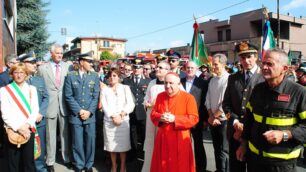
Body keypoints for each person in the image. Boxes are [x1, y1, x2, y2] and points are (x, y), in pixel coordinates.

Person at [236, 48, 306, 172]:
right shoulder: (257, 89)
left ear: (284, 69)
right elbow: (249, 119)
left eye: (270, 64)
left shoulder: (299, 92)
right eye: (263, 63)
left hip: (282, 165)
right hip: (255, 160)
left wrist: (285, 135)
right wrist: (243, 144)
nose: (264, 67)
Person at [222, 42, 264, 172]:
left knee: (254, 167)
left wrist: (247, 125)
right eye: (242, 57)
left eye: (249, 56)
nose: (246, 60)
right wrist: (234, 121)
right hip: (235, 132)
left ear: (256, 57)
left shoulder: (264, 77)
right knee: (236, 167)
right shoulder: (233, 78)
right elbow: (226, 104)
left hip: (254, 132)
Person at [150, 72, 199, 172]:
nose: (167, 86)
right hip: (163, 138)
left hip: (180, 138)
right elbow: (153, 113)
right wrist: (160, 117)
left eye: (171, 83)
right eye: (165, 83)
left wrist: (175, 119)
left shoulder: (188, 98)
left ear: (178, 83)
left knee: (180, 166)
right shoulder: (160, 96)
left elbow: (194, 118)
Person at [38, 43, 72, 171]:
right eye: (57, 53)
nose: (59, 55)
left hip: (64, 106)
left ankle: (66, 158)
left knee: (65, 134)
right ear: (51, 53)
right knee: (50, 136)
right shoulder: (42, 69)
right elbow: (40, 89)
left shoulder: (68, 67)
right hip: (49, 107)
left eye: (61, 53)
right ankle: (50, 161)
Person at [64, 52, 100, 172]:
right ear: (81, 62)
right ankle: (79, 165)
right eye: (89, 61)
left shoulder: (94, 76)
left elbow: (96, 96)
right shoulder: (70, 76)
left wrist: (89, 111)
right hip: (76, 115)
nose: (91, 64)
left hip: (90, 115)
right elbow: (68, 96)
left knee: (90, 141)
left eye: (91, 61)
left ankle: (88, 165)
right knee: (77, 142)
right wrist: (79, 111)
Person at [0, 63, 39, 172]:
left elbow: (35, 110)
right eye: (16, 72)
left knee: (29, 163)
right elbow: (5, 113)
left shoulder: (32, 89)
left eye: (22, 72)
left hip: (28, 130)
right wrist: (19, 127)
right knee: (13, 164)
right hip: (12, 130)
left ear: (26, 74)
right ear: (11, 74)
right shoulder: (4, 90)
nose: (19, 75)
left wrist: (26, 126)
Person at [19, 52, 49, 172]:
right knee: (25, 149)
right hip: (24, 123)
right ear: (24, 64)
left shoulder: (39, 80)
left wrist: (41, 113)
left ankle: (40, 168)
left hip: (39, 122)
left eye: (34, 63)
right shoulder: (18, 81)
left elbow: (46, 97)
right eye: (31, 63)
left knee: (39, 148)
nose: (34, 65)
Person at [101, 68, 135, 172]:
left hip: (123, 121)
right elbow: (104, 105)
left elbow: (131, 104)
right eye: (110, 76)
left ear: (119, 77)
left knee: (123, 147)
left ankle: (123, 166)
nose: (112, 77)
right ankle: (114, 166)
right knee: (111, 147)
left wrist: (121, 115)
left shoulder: (125, 88)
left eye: (114, 75)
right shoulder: (105, 89)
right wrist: (112, 116)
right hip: (109, 121)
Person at [142, 61, 170, 172]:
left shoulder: (171, 83)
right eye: (157, 67)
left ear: (167, 70)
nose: (157, 69)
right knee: (150, 145)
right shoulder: (152, 83)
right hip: (150, 118)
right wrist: (147, 103)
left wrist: (156, 104)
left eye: (160, 67)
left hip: (163, 119)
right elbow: (146, 98)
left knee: (163, 146)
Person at [181, 61, 209, 172]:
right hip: (182, 120)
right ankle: (185, 166)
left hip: (197, 119)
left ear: (196, 69)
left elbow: (204, 102)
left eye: (192, 68)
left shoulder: (202, 83)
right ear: (184, 69)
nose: (190, 70)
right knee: (183, 144)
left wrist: (205, 119)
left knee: (198, 145)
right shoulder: (180, 82)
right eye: (188, 68)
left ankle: (201, 168)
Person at [122, 59, 151, 162]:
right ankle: (133, 152)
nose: (136, 69)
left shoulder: (148, 81)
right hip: (131, 112)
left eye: (138, 67)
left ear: (142, 68)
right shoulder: (126, 80)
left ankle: (143, 152)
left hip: (143, 112)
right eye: (135, 67)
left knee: (144, 134)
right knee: (132, 133)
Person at [205, 53, 230, 172]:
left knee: (224, 150)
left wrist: (214, 116)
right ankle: (218, 169)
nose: (213, 67)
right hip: (212, 119)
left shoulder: (229, 79)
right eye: (212, 64)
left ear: (223, 64)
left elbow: (225, 102)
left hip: (223, 120)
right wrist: (210, 117)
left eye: (216, 64)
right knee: (216, 147)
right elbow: (208, 100)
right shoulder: (212, 80)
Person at [0, 54, 18, 154]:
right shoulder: (2, 78)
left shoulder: (19, 74)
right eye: (15, 63)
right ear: (8, 64)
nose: (17, 65)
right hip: (7, 113)